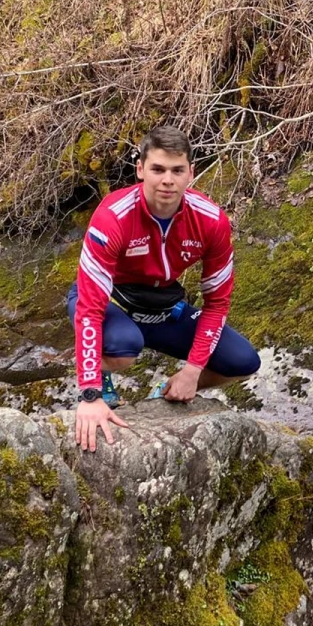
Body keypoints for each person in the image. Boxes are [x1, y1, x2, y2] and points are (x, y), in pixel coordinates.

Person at [69, 125, 261, 453]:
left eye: (177, 170)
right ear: (141, 170)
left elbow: (217, 302)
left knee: (243, 361)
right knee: (123, 348)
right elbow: (90, 307)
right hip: (109, 302)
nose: (167, 180)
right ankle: (103, 378)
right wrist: (89, 395)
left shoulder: (212, 220)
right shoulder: (113, 217)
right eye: (157, 169)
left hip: (160, 306)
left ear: (191, 173)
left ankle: (166, 390)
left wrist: (193, 370)